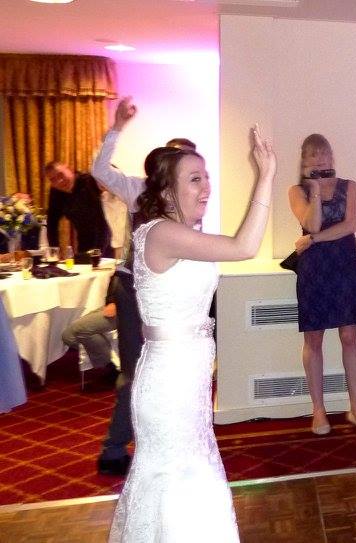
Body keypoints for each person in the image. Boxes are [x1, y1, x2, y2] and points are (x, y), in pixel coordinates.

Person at [107, 125, 275, 542]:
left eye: (206, 177)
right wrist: (266, 176)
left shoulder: (183, 235)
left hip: (187, 380)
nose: (206, 187)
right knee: (176, 483)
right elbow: (244, 247)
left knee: (188, 479)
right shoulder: (162, 233)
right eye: (195, 179)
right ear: (166, 192)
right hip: (168, 387)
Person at [90, 97, 199, 477]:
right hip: (134, 291)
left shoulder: (193, 203)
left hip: (169, 298)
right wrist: (117, 126)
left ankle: (162, 444)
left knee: (168, 371)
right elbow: (99, 169)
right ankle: (115, 446)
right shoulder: (139, 191)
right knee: (138, 371)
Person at [289, 134, 356, 436]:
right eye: (313, 156)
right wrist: (314, 191)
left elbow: (348, 226)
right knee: (313, 339)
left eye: (324, 154)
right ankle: (318, 410)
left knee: (350, 335)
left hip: (345, 265)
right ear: (304, 161)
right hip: (314, 270)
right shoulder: (297, 191)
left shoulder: (349, 186)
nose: (320, 160)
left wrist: (312, 240)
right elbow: (311, 222)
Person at [44, 161, 111, 255]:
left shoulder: (88, 181)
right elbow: (52, 224)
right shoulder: (56, 193)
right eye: (53, 179)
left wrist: (97, 254)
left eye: (60, 175)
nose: (59, 181)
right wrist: (54, 253)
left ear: (69, 169)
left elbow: (101, 222)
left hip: (104, 238)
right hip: (83, 240)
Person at [62, 275, 122, 375]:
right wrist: (112, 301)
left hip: (129, 310)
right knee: (68, 336)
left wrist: (120, 304)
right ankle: (113, 362)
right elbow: (117, 280)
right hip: (113, 304)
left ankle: (110, 363)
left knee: (79, 331)